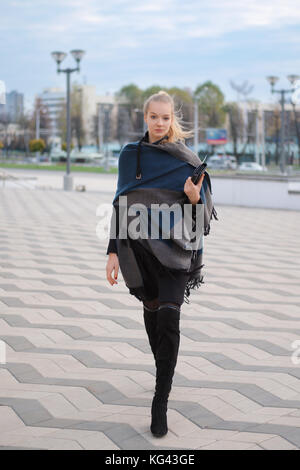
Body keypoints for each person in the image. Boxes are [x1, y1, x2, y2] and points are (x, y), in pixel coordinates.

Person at [105, 90, 217, 438]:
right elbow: (120, 202)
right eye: (154, 117)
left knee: (169, 318)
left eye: (165, 117)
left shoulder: (185, 159)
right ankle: (162, 370)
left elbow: (203, 220)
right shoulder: (130, 156)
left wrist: (195, 197)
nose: (159, 123)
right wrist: (112, 251)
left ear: (173, 120)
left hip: (177, 252)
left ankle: (160, 402)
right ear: (145, 117)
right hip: (139, 252)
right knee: (153, 316)